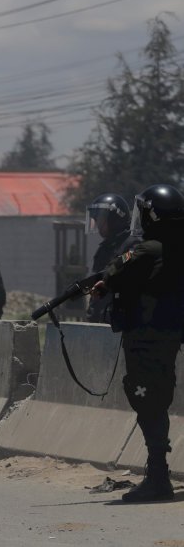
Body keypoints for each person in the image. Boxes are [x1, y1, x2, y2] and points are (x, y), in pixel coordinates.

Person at [91, 184, 184, 502]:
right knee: (158, 397)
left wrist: (104, 285)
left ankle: (158, 477)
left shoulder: (145, 250)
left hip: (146, 339)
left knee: (148, 402)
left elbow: (114, 273)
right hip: (171, 337)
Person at [85, 193, 137, 323]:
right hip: (100, 319)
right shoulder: (104, 248)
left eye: (100, 219)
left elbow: (127, 258)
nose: (97, 223)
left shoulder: (132, 244)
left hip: (120, 321)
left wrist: (111, 271)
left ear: (115, 219)